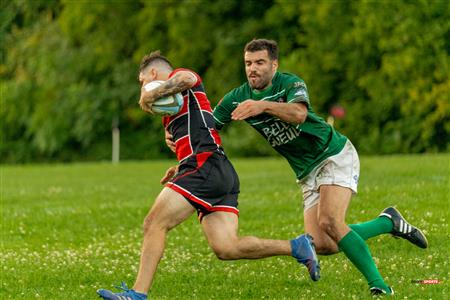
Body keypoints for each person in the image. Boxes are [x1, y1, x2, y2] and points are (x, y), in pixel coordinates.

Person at [210, 39, 428, 296]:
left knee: (330, 221)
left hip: (332, 154)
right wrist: (182, 152)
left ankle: (380, 286)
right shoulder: (237, 97)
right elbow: (208, 129)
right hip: (306, 172)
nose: (252, 69)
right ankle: (388, 222)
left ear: (274, 65)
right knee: (324, 244)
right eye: (248, 63)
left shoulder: (290, 83)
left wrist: (263, 105)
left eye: (260, 62)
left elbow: (299, 114)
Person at [96, 51, 320, 300]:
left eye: (141, 81)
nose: (142, 86)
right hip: (215, 169)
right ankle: (296, 246)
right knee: (227, 247)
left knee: (153, 223)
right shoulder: (174, 113)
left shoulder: (181, 76)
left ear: (152, 73)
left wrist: (148, 95)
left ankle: (137, 295)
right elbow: (199, 137)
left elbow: (185, 80)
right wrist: (180, 167)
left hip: (205, 167)